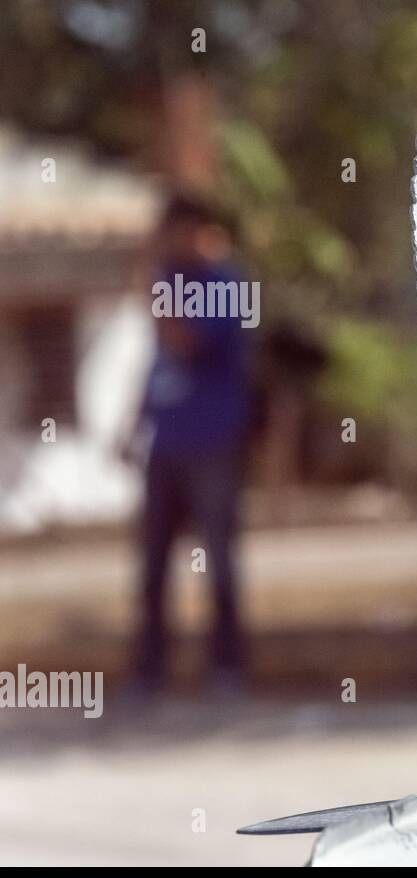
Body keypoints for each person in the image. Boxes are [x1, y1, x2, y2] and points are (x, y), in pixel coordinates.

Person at [126, 194, 252, 697]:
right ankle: (149, 670)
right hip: (167, 443)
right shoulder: (169, 284)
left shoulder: (224, 285)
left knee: (218, 560)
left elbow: (187, 344)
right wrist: (134, 425)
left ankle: (227, 667)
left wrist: (156, 297)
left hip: (213, 442)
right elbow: (159, 365)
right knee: (153, 562)